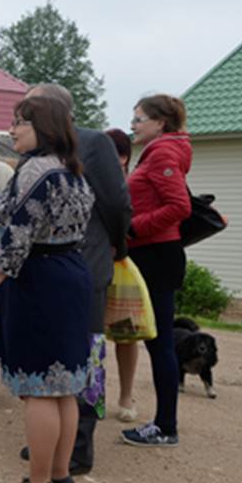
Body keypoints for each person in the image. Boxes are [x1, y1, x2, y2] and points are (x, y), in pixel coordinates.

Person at [0, 95, 95, 483]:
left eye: (20, 123)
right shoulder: (74, 172)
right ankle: (61, 479)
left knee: (39, 388)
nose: (12, 130)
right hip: (71, 274)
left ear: (42, 128)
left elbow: (16, 237)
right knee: (64, 386)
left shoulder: (34, 172)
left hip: (38, 279)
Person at [17, 83, 131, 476]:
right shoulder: (32, 150)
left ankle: (80, 447)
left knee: (84, 358)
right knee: (49, 362)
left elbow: (117, 203)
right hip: (40, 271)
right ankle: (48, 445)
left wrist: (118, 248)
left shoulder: (94, 142)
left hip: (85, 261)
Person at [120, 94, 191, 448]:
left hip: (156, 254)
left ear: (160, 123)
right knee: (156, 341)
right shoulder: (162, 150)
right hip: (154, 251)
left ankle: (166, 426)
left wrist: (135, 227)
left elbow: (179, 205)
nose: (133, 125)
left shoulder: (163, 152)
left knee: (160, 342)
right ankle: (164, 423)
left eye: (138, 119)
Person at [105, 126, 141, 422]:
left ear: (124, 157)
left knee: (126, 333)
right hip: (94, 262)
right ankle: (93, 394)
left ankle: (126, 394)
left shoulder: (135, 184)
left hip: (126, 264)